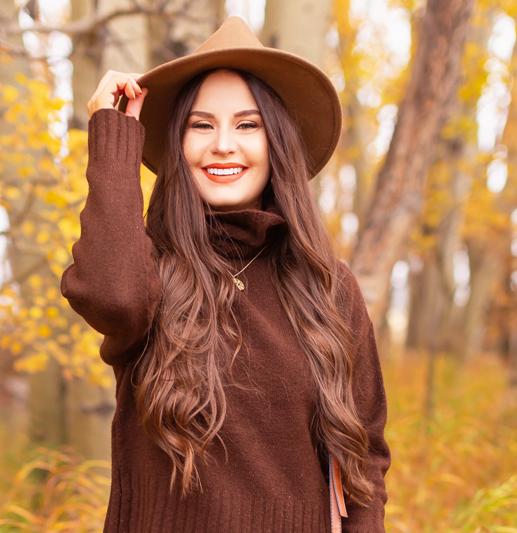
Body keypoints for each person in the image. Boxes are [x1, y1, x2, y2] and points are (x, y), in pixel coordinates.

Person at [60, 16, 390, 533]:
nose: (223, 145)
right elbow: (113, 295)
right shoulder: (152, 273)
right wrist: (114, 135)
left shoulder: (330, 289)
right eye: (201, 124)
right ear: (178, 144)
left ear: (275, 141)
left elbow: (364, 461)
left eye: (247, 124)